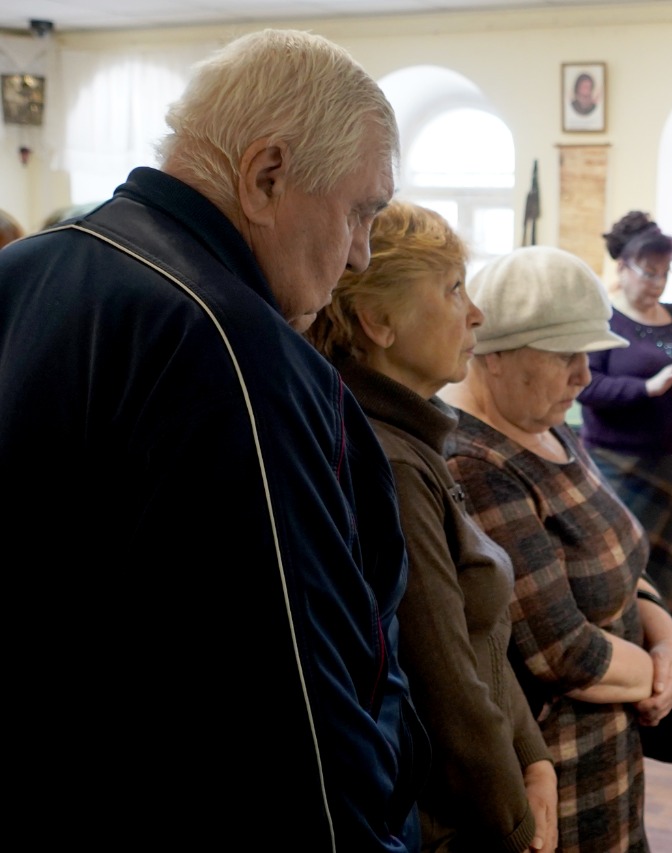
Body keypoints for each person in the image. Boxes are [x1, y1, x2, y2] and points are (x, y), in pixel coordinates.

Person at [0, 30, 427, 850]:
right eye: (360, 211)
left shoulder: (25, 270)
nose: (361, 255)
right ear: (266, 176)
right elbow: (302, 701)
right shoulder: (234, 348)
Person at [307, 201, 559, 852]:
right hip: (450, 823)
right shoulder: (390, 460)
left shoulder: (411, 440)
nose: (475, 314)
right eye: (452, 289)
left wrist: (534, 758)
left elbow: (482, 637)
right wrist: (517, 824)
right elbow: (444, 680)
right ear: (378, 321)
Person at [440, 246, 672, 853]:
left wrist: (669, 638)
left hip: (613, 756)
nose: (584, 376)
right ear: (493, 355)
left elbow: (621, 557)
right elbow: (563, 653)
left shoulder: (549, 425)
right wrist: (659, 672)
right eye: (563, 355)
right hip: (556, 777)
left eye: (587, 354)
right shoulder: (476, 463)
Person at [577, 211, 672, 605]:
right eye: (649, 272)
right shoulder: (602, 319)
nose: (658, 283)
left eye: (665, 273)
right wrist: (648, 387)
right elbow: (586, 384)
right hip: (619, 468)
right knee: (624, 569)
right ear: (623, 267)